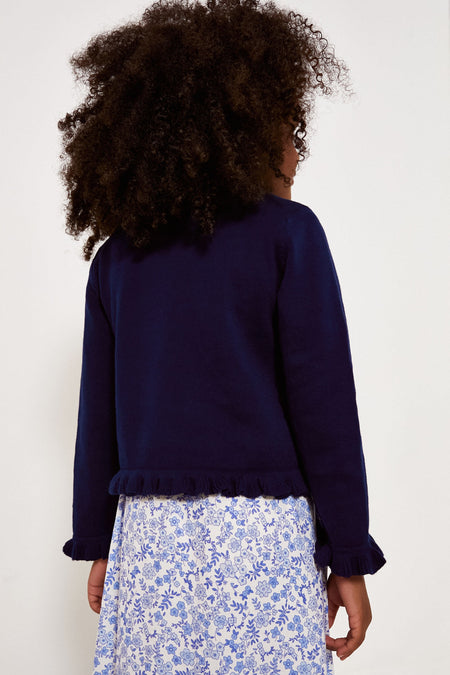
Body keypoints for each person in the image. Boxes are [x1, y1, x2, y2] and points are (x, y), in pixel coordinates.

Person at [59, 1, 387, 672]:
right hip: (265, 543)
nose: (297, 152)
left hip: (149, 544)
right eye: (289, 131)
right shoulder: (290, 236)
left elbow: (98, 422)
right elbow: (325, 410)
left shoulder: (117, 260)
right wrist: (348, 555)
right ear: (245, 133)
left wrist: (100, 541)